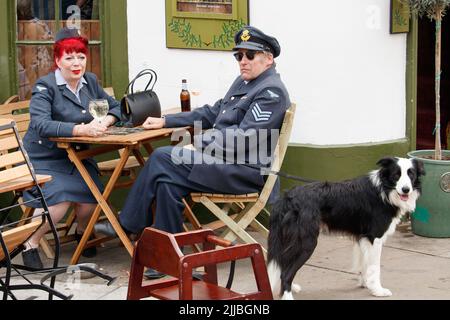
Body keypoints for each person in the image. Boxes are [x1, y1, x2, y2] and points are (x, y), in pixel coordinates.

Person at [95, 25, 290, 278]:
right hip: (224, 163)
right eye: (238, 55)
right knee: (167, 182)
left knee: (163, 156)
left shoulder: (270, 91)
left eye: (249, 55)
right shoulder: (246, 82)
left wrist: (196, 142)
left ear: (268, 58)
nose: (242, 61)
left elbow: (243, 140)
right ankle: (168, 259)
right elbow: (212, 112)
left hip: (246, 172)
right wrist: (165, 121)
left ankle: (129, 223)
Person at [21, 27, 121, 269]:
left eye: (81, 57)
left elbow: (116, 108)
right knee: (61, 197)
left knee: (92, 197)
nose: (76, 63)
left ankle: (81, 232)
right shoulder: (45, 87)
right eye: (69, 57)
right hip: (44, 157)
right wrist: (81, 129)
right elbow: (41, 124)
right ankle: (30, 243)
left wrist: (105, 120)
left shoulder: (90, 82)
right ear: (58, 60)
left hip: (76, 156)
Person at [17, 0, 54, 99]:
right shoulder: (36, 22)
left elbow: (30, 58)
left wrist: (31, 87)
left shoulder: (30, 26)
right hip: (43, 68)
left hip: (37, 70)